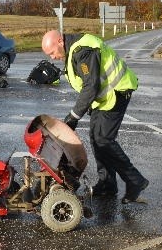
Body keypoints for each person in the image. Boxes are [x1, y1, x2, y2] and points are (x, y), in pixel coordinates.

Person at [41, 30, 149, 204]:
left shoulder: (83, 51)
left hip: (117, 92)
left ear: (60, 41)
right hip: (103, 98)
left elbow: (91, 86)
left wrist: (73, 116)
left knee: (104, 140)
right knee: (96, 139)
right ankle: (107, 184)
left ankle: (135, 180)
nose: (52, 58)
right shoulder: (73, 50)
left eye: (52, 52)